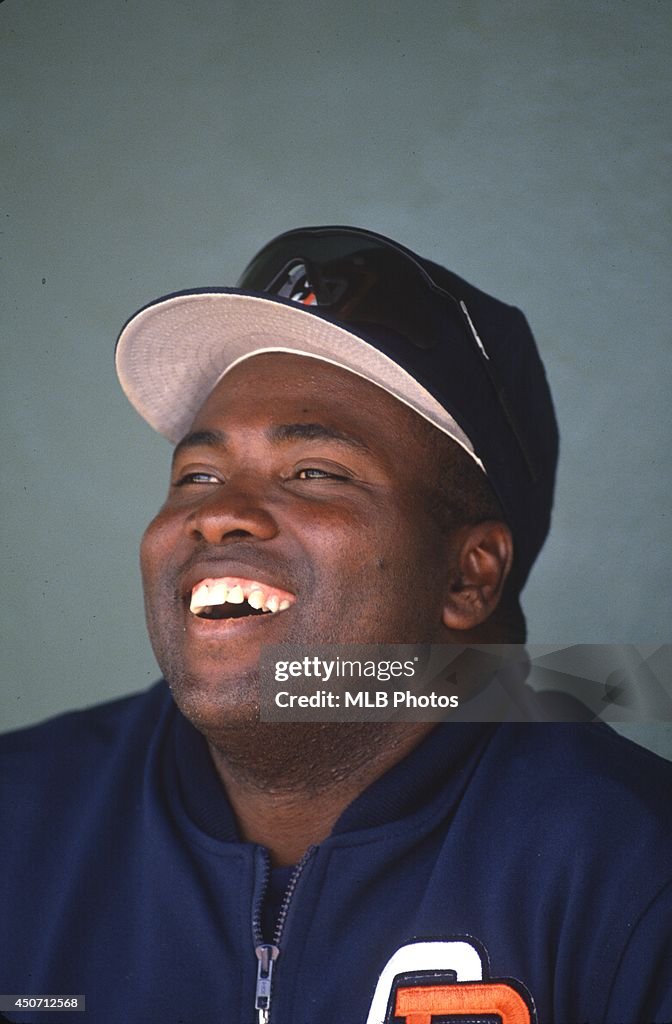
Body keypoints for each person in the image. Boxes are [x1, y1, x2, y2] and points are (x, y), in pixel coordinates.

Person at [1, 226, 670, 1024]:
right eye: (198, 474)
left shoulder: (635, 868)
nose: (218, 516)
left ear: (468, 575)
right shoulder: (21, 819)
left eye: (314, 472)